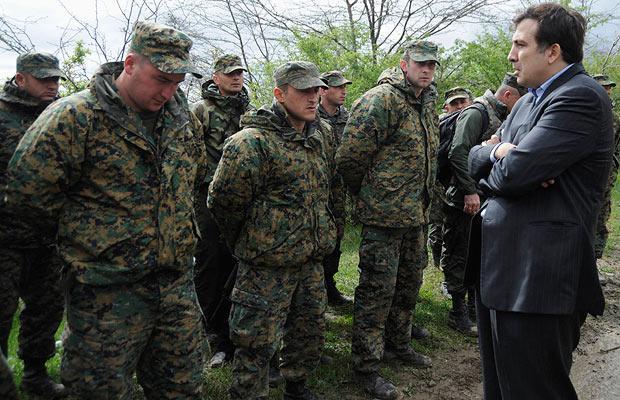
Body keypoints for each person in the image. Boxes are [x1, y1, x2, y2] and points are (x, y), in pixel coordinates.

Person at [6, 21, 208, 398]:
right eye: (161, 78)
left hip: (175, 284)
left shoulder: (182, 119)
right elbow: (27, 195)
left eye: (178, 81)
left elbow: (192, 181)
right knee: (99, 390)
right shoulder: (75, 116)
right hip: (105, 291)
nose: (169, 91)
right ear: (130, 63)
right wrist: (89, 238)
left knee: (183, 387)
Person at [466, 3, 612, 399]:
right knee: (501, 389)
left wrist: (505, 161)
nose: (511, 55)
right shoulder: (530, 100)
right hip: (502, 269)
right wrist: (496, 153)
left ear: (553, 51)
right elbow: (479, 160)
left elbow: (514, 175)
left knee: (535, 390)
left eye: (520, 44)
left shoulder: (580, 97)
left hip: (540, 279)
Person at [208, 61, 337, 400]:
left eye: (316, 90)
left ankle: (297, 387)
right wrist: (255, 240)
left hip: (310, 259)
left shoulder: (319, 136)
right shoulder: (251, 143)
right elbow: (223, 203)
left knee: (308, 332)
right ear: (280, 94)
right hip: (266, 266)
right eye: (304, 91)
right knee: (255, 343)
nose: (313, 97)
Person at [336, 40, 438, 400]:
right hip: (383, 217)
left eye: (432, 65)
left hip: (416, 215)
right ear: (404, 64)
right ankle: (365, 367)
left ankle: (398, 344)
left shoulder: (426, 101)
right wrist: (371, 197)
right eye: (421, 64)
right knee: (377, 292)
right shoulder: (381, 100)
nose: (427, 70)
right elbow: (350, 158)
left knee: (409, 284)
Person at [0, 52, 67, 398]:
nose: (52, 85)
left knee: (47, 307)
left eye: (55, 79)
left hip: (48, 239)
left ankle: (36, 374)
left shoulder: (60, 116)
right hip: (6, 239)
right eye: (44, 79)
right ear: (21, 78)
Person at [441, 73, 526, 336]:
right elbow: (458, 152)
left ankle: (472, 307)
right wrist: (468, 191)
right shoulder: (476, 112)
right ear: (508, 95)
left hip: (484, 196)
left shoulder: (498, 114)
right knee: (460, 253)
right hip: (464, 197)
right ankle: (457, 312)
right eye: (520, 101)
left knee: (477, 253)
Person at [191, 53, 253, 368]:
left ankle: (236, 332)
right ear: (216, 77)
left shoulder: (251, 112)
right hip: (206, 200)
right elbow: (188, 154)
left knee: (238, 263)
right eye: (230, 73)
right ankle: (213, 336)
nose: (236, 78)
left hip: (242, 201)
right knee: (210, 264)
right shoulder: (200, 112)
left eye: (239, 73)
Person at [318, 69, 351, 305]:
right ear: (323, 90)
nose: (343, 91)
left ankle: (330, 284)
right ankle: (317, 289)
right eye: (338, 87)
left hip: (339, 187)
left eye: (344, 87)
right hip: (319, 186)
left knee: (337, 234)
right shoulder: (311, 115)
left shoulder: (346, 117)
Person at [592, 74, 619, 275]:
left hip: (607, 177)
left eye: (609, 88)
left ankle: (594, 262)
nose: (608, 91)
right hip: (585, 178)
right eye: (604, 87)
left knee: (602, 218)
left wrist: (615, 164)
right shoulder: (587, 112)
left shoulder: (615, 117)